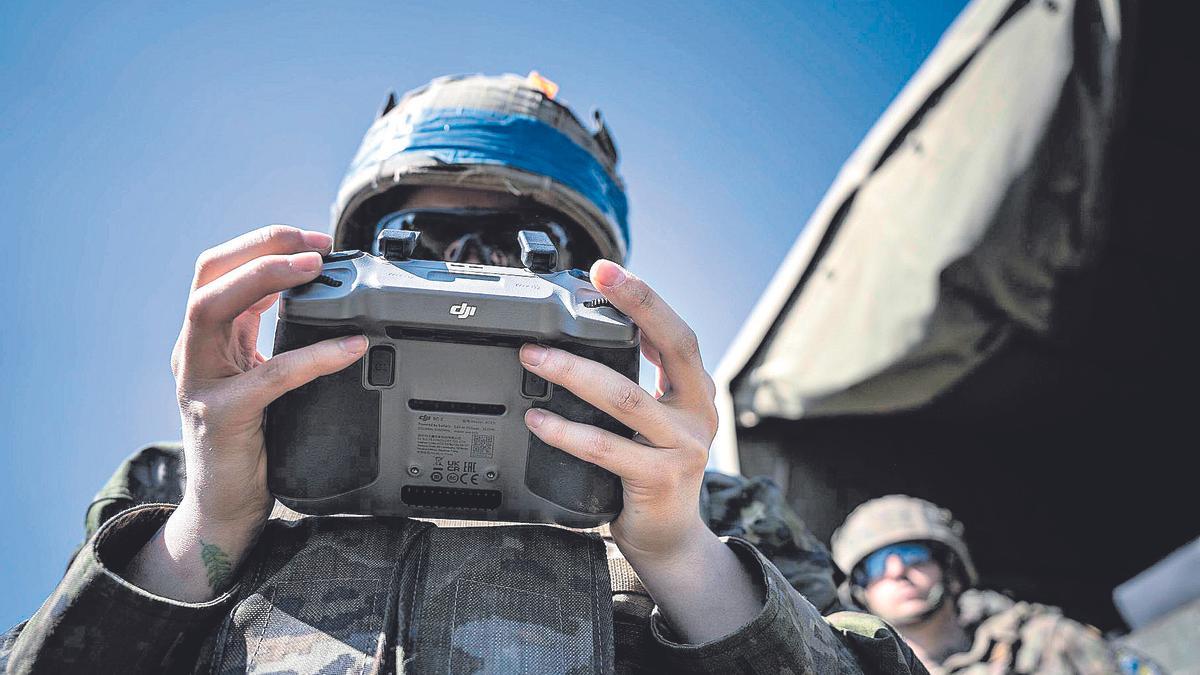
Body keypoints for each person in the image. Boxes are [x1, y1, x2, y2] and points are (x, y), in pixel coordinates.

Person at [2, 73, 927, 674]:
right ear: (353, 257)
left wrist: (682, 553)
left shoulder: (721, 513)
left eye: (524, 244)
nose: (472, 272)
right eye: (425, 243)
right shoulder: (179, 477)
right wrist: (212, 523)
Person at [831, 495, 1121, 674]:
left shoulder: (1045, 640)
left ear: (951, 570)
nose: (897, 570)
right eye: (876, 565)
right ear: (860, 594)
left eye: (913, 554)